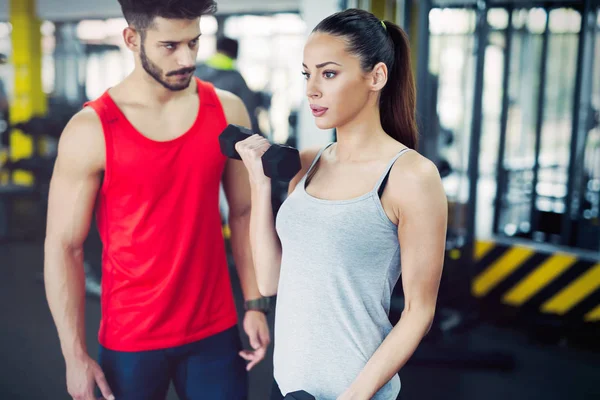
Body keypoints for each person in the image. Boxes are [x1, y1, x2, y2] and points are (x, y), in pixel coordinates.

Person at [43, 1, 270, 400]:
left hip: (215, 330)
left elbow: (245, 211)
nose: (187, 58)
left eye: (194, 43)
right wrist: (73, 355)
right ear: (132, 39)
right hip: (131, 337)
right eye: (170, 46)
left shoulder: (226, 111)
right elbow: (65, 247)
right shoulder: (92, 129)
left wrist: (254, 301)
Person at [235, 9, 447, 400]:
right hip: (287, 386)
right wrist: (258, 185)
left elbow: (419, 312)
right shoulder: (309, 162)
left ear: (376, 77)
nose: (312, 89)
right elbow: (270, 281)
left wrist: (354, 397)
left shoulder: (411, 176)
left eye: (328, 73)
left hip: (355, 393)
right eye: (307, 74)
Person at [195, 37, 262, 134]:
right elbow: (249, 111)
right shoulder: (236, 79)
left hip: (194, 129)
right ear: (236, 54)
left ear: (217, 49)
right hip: (221, 133)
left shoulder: (196, 70)